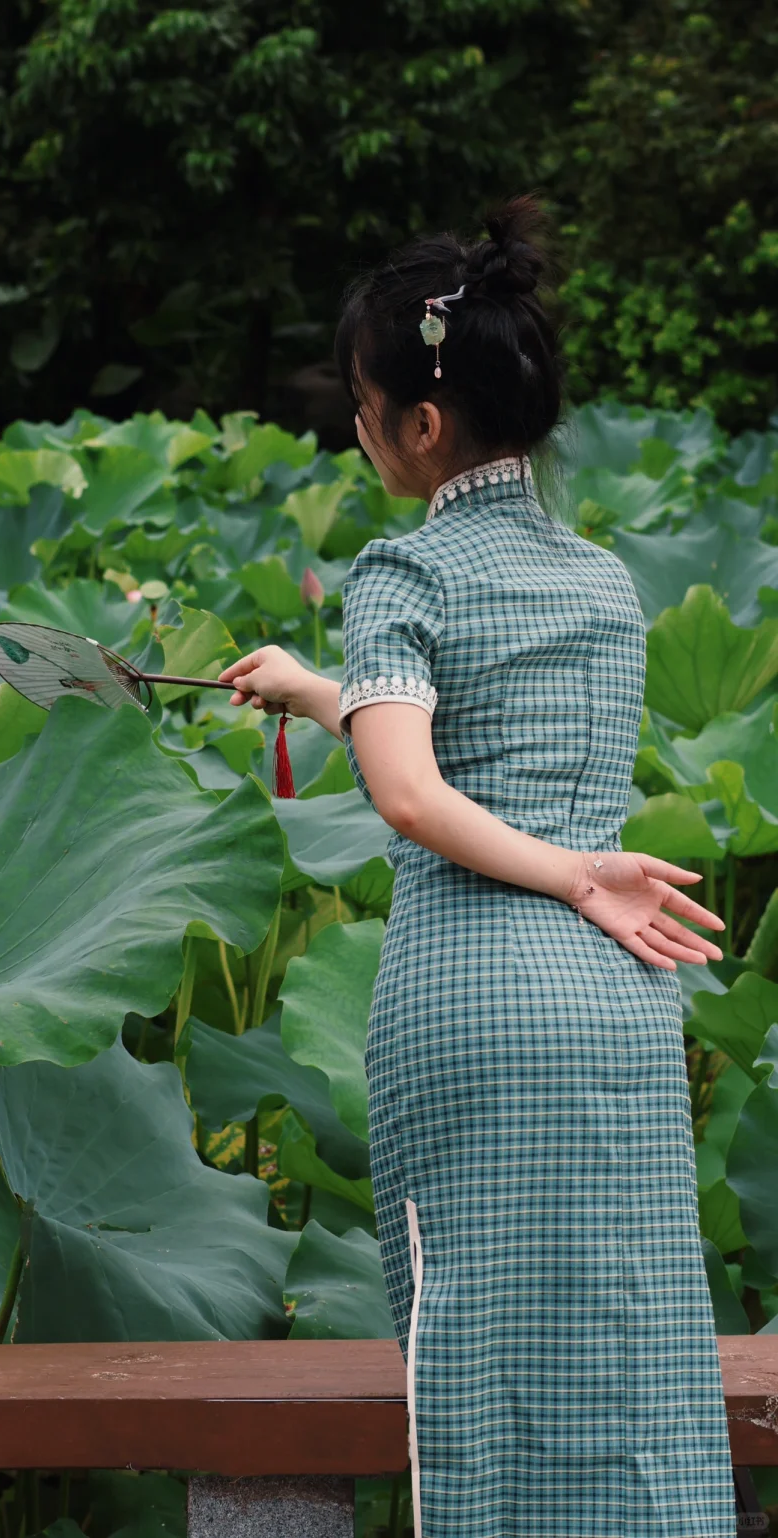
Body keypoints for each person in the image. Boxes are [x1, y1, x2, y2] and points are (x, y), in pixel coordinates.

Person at [218, 195, 738, 1538]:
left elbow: (411, 786)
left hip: (478, 1002)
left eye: (361, 401)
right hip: (617, 1003)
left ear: (423, 425)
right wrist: (316, 687)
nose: (356, 423)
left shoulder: (404, 570)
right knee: (629, 1349)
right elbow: (465, 734)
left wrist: (565, 872)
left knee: (483, 1360)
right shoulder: (604, 583)